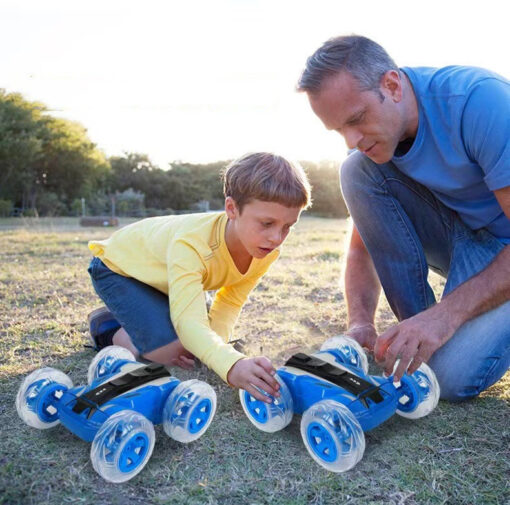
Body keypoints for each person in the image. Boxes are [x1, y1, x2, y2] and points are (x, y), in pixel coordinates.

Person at [297, 35, 510, 401]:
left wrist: (445, 317)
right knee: (354, 170)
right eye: (339, 130)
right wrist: (361, 321)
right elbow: (364, 246)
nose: (351, 140)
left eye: (357, 119)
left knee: (449, 378)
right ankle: (419, 332)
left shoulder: (482, 102)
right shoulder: (378, 147)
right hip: (462, 235)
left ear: (392, 85)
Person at [87, 152, 311, 403]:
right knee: (170, 352)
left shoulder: (266, 251)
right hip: (118, 269)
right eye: (267, 223)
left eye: (287, 227)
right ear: (232, 209)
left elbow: (230, 302)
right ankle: (107, 327)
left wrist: (214, 351)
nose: (276, 238)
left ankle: (148, 318)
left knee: (195, 349)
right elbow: (189, 324)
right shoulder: (192, 243)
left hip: (165, 282)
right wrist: (231, 364)